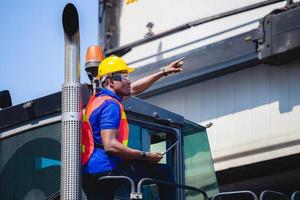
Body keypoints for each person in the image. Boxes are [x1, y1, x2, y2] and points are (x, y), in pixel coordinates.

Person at [82, 55, 184, 200]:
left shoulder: (97, 100)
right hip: (106, 169)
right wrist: (145, 155)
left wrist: (164, 72)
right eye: (124, 76)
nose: (128, 80)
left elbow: (135, 88)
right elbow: (110, 145)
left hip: (91, 171)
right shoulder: (110, 105)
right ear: (111, 81)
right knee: (163, 172)